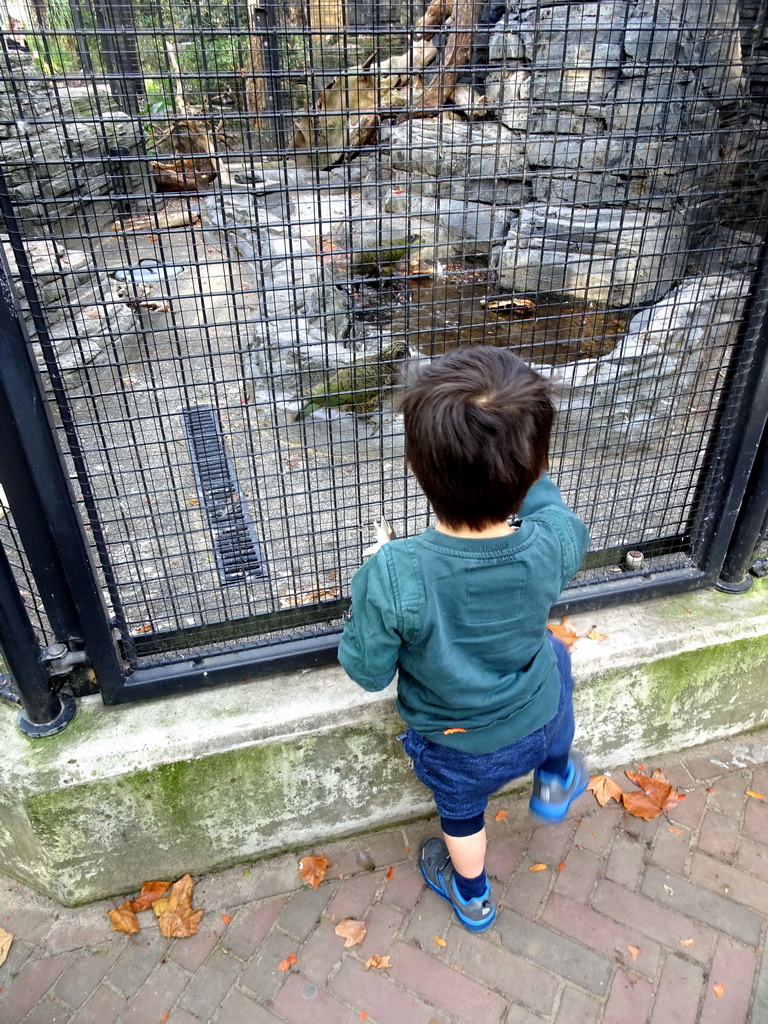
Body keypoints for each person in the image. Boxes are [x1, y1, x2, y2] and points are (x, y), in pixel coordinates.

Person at [337, 345, 590, 933]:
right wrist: (521, 458)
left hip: (460, 748)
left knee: (462, 819)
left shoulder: (397, 571)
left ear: (419, 466)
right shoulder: (551, 540)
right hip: (540, 719)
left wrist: (371, 585)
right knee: (554, 653)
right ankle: (554, 779)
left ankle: (472, 895)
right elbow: (555, 513)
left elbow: (369, 670)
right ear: (533, 467)